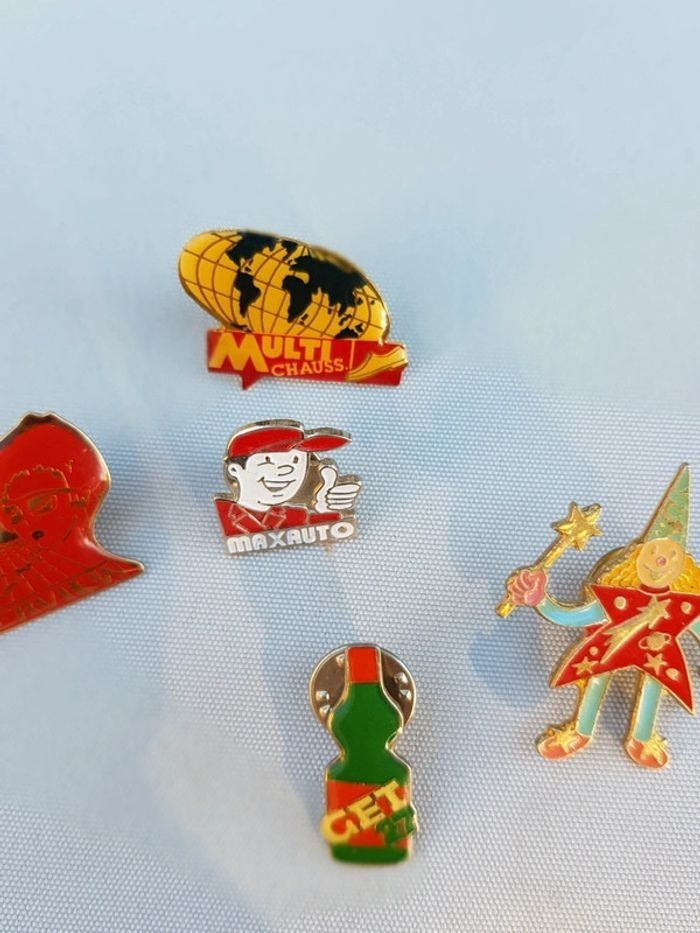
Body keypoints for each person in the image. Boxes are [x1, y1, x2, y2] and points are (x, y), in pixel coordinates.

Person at [507, 465, 700, 769]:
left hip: (658, 657)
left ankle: (642, 736)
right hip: (608, 647)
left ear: (683, 568)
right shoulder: (616, 599)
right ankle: (581, 730)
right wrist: (540, 599)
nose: (662, 561)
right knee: (598, 672)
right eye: (654, 553)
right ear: (637, 557)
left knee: (654, 681)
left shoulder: (684, 606)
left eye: (672, 556)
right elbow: (572, 617)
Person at [214, 420, 361, 537]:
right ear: (235, 470)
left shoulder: (293, 515)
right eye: (268, 461)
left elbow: (326, 523)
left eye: (295, 461)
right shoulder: (227, 513)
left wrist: (325, 511)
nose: (287, 471)